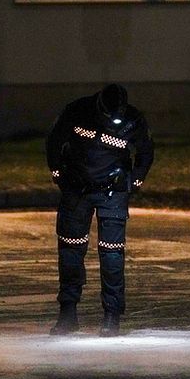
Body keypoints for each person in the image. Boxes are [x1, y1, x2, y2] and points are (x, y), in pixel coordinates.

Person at [46, 84, 154, 336]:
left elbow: (146, 153)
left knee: (112, 255)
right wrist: (59, 175)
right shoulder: (77, 111)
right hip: (77, 189)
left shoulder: (133, 120)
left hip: (113, 191)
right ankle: (68, 314)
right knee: (71, 250)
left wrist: (133, 182)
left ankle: (112, 317)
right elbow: (54, 142)